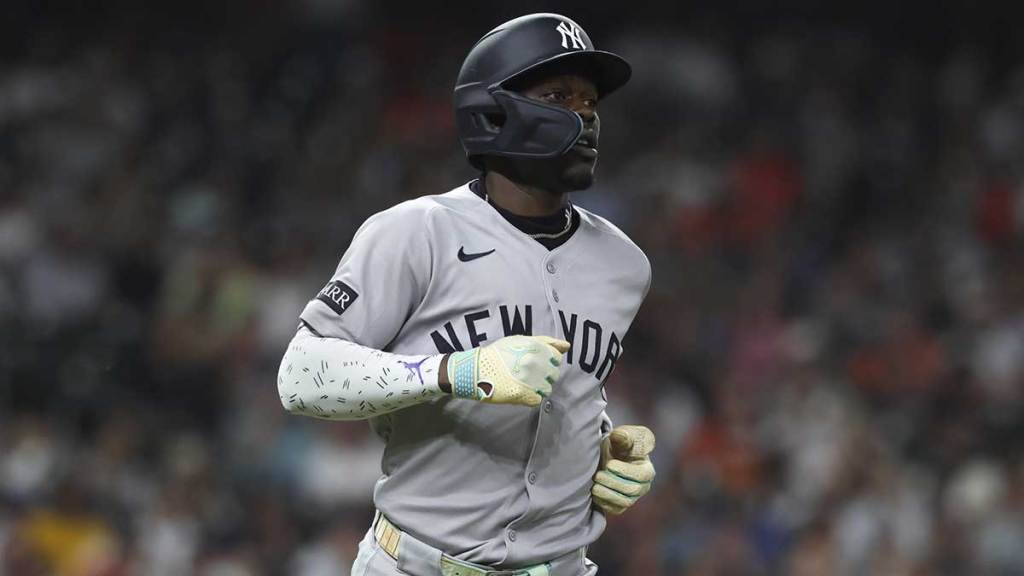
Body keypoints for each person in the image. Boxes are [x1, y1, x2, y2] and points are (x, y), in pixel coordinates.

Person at [278, 13, 655, 576]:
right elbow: (301, 377)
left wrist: (597, 452)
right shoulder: (417, 231)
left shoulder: (624, 264)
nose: (585, 117)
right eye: (558, 96)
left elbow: (570, 390)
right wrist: (451, 372)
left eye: (590, 102)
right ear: (493, 111)